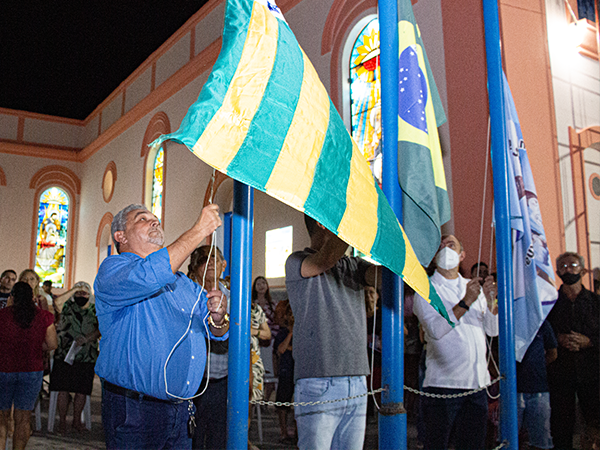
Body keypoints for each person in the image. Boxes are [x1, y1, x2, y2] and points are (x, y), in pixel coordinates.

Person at [93, 203, 228, 450]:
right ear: (120, 236)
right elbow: (150, 275)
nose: (154, 221)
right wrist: (199, 230)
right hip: (136, 411)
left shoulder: (184, 284)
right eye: (142, 218)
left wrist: (219, 317)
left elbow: (216, 332)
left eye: (155, 218)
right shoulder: (113, 270)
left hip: (181, 410)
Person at [285, 215, 379, 450]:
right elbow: (324, 260)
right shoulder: (297, 260)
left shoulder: (355, 265)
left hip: (357, 379)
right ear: (322, 223)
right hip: (318, 380)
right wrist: (352, 218)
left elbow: (386, 279)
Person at [413, 235, 498, 450]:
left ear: (462, 255)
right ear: (433, 258)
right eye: (440, 246)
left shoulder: (471, 287)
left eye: (451, 245)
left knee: (473, 444)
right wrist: (465, 303)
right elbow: (435, 330)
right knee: (437, 444)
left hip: (475, 384)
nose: (445, 249)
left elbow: (492, 330)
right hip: (444, 385)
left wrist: (489, 303)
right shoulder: (426, 289)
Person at [547, 252, 599, 450]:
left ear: (583, 270)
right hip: (561, 373)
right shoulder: (551, 304)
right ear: (558, 271)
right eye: (563, 266)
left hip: (592, 374)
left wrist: (588, 342)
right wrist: (558, 339)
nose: (568, 269)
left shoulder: (596, 303)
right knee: (561, 426)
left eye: (573, 265)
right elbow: (543, 331)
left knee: (595, 422)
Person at [0, 282, 57, 450]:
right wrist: (34, 346)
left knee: (2, 417)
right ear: (32, 297)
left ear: (12, 297)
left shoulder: (2, 315)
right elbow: (52, 343)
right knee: (23, 418)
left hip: (4, 368)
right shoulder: (44, 316)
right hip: (31, 369)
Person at [187, 245, 229, 450]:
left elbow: (243, 339)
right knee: (192, 435)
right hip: (192, 380)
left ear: (224, 265)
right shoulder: (186, 293)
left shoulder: (234, 295)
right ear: (194, 267)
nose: (210, 262)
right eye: (203, 259)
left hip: (222, 380)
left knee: (219, 437)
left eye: (214, 258)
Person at [49, 281, 100, 434]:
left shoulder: (94, 309)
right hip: (64, 354)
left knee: (82, 390)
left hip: (86, 355)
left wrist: (87, 338)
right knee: (62, 389)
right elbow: (57, 302)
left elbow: (101, 328)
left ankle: (77, 420)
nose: (80, 296)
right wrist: (73, 290)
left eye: (84, 293)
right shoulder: (67, 307)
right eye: (78, 293)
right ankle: (62, 421)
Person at [516, 319, 557, 450]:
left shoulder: (542, 322)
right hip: (513, 389)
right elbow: (493, 351)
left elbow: (553, 352)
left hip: (539, 387)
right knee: (507, 438)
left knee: (541, 440)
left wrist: (537, 368)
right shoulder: (509, 320)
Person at [249, 291, 271, 450]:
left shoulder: (255, 309)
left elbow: (267, 334)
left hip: (253, 360)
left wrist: (253, 331)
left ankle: (245, 440)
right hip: (226, 360)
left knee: (249, 404)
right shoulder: (225, 305)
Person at [273, 300, 296, 444]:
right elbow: (280, 349)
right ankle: (283, 432)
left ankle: (297, 431)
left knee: (299, 404)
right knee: (283, 403)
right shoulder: (282, 333)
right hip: (286, 370)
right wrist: (291, 333)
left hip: (299, 372)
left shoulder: (303, 332)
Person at [251, 276, 278, 340]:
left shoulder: (273, 304)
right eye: (258, 284)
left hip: (271, 339)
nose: (261, 286)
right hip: (254, 338)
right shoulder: (252, 305)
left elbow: (277, 323)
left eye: (263, 283)